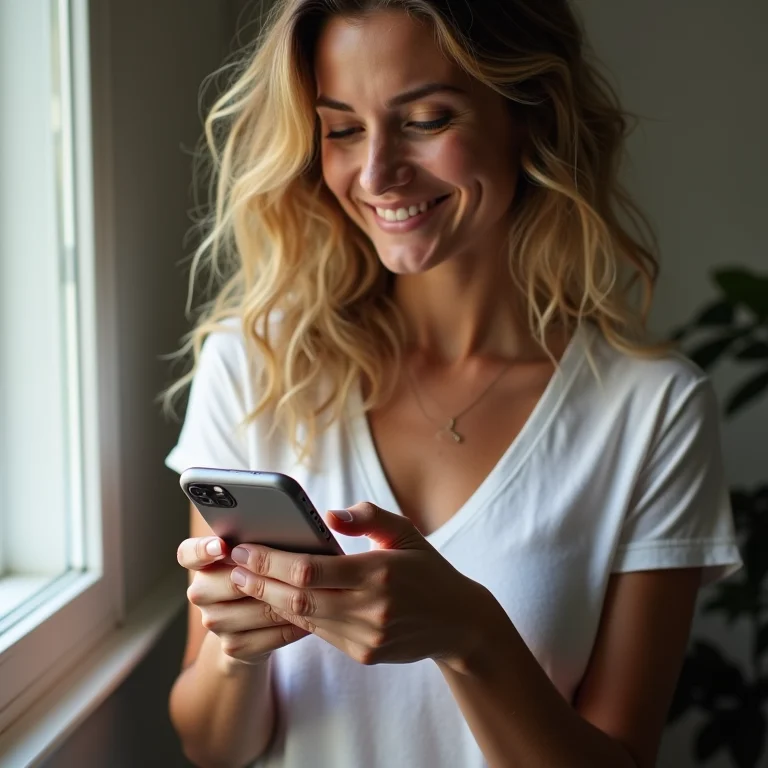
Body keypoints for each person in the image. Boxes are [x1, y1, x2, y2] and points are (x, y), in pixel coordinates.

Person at [165, 1, 742, 766]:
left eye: (427, 119)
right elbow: (211, 747)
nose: (376, 174)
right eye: (341, 129)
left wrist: (470, 635)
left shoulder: (654, 410)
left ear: (529, 115)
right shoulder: (257, 367)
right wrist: (237, 655)